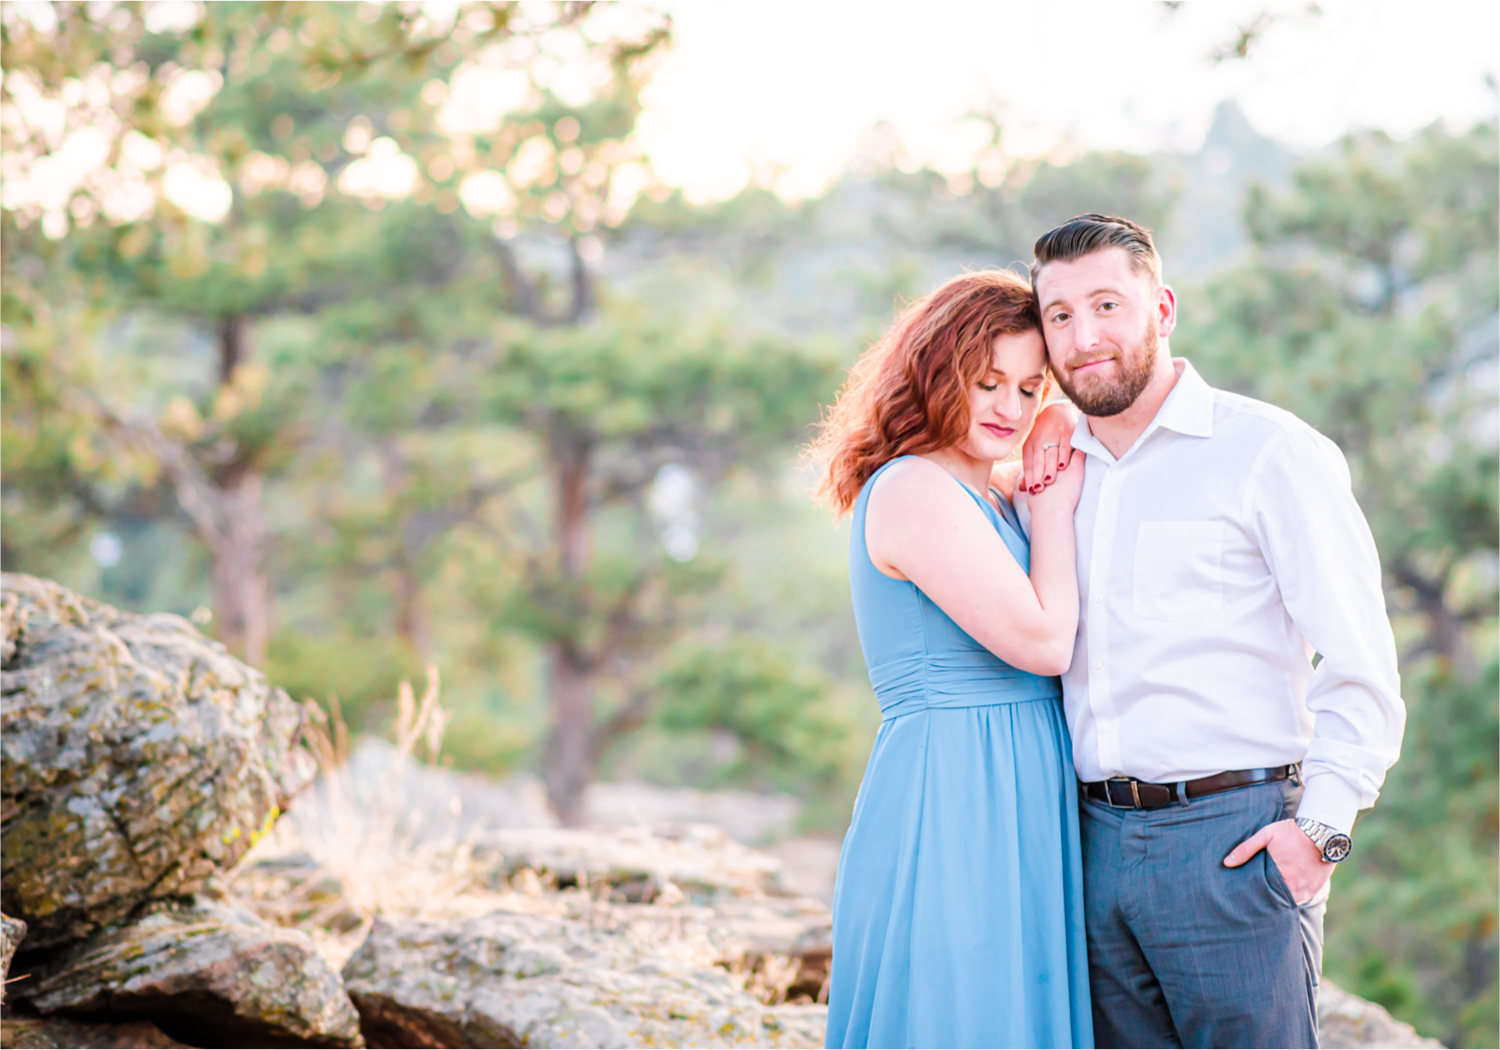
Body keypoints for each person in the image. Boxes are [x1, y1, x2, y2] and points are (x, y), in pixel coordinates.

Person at [1017, 214, 1405, 1049]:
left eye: (1107, 306)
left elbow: (1362, 658)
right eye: (1059, 316)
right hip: (1088, 846)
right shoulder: (1050, 472)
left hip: (1233, 844)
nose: (1084, 337)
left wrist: (1321, 832)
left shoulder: (1267, 452)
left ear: (1161, 308)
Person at [809, 270, 1093, 1049]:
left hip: (1022, 788)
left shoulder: (991, 492)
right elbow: (1043, 642)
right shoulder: (914, 490)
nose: (1010, 408)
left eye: (1030, 388)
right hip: (954, 796)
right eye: (987, 383)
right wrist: (1056, 510)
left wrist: (1052, 439)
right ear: (937, 377)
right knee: (959, 1016)